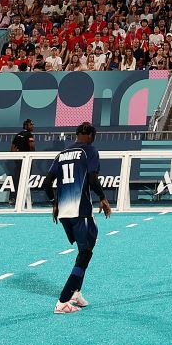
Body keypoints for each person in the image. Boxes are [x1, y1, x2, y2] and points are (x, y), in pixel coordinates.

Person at [48, 121, 112, 314]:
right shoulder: (89, 151)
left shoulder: (62, 154)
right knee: (85, 253)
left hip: (64, 212)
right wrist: (103, 198)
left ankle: (76, 292)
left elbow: (46, 182)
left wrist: (54, 202)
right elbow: (92, 178)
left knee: (83, 250)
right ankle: (63, 301)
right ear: (91, 136)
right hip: (81, 210)